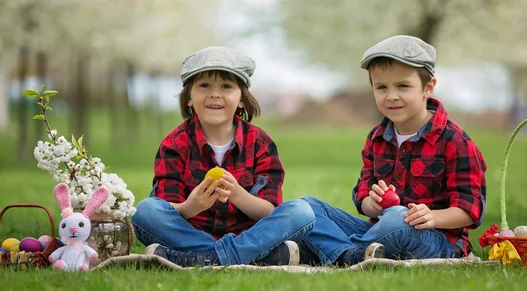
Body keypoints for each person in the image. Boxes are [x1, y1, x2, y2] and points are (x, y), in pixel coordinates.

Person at [299, 35, 487, 266]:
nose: (391, 96)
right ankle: (350, 255)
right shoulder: (377, 138)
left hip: (434, 238)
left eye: (403, 86)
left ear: (428, 88)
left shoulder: (455, 142)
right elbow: (363, 196)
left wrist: (432, 216)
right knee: (305, 208)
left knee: (396, 218)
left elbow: (471, 210)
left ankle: (334, 249)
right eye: (381, 87)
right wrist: (373, 202)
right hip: (380, 229)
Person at [132, 46, 315, 267]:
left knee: (301, 212)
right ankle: (253, 257)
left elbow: (269, 211)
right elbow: (164, 208)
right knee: (145, 211)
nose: (215, 94)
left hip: (249, 234)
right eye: (204, 85)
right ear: (189, 97)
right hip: (190, 234)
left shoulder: (260, 144)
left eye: (226, 86)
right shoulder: (174, 144)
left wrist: (238, 194)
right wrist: (192, 206)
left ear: (241, 99)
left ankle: (200, 259)